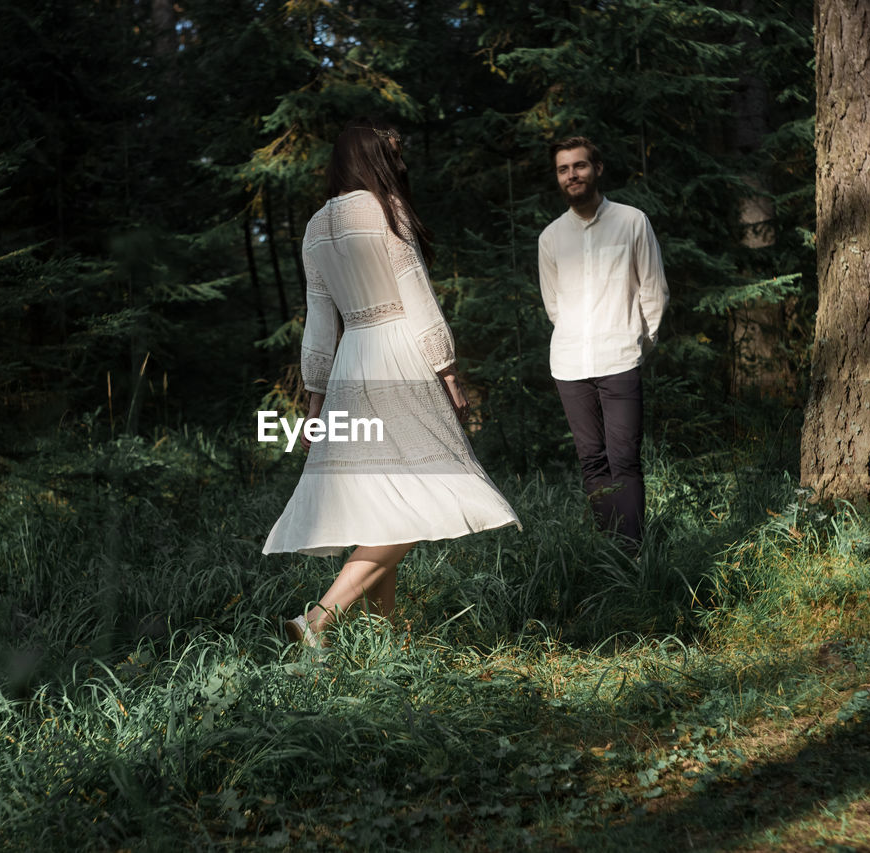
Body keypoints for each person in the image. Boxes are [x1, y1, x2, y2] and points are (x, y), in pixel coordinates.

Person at [264, 118, 520, 647]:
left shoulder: (315, 226)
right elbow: (419, 299)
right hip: (400, 355)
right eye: (391, 154)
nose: (398, 163)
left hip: (350, 363)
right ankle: (318, 621)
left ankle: (386, 638)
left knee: (378, 496)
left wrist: (314, 400)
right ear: (371, 159)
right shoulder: (387, 210)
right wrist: (448, 371)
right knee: (428, 489)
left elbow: (318, 321)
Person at [537, 136, 668, 549]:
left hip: (620, 359)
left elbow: (654, 291)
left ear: (597, 168)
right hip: (570, 365)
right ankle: (610, 549)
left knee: (624, 460)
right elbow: (554, 305)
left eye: (579, 166)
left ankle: (633, 552)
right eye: (564, 169)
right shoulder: (551, 237)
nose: (572, 175)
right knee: (592, 460)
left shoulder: (632, 221)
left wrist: (637, 344)